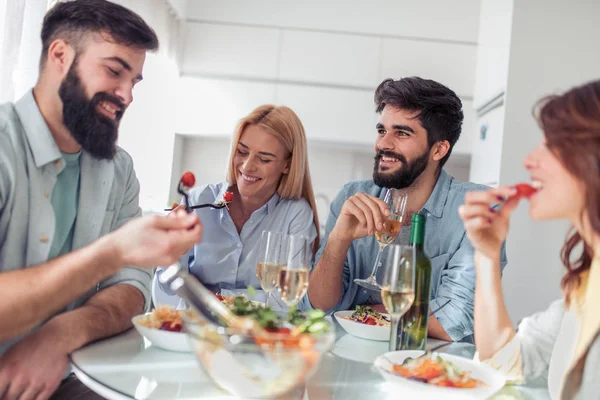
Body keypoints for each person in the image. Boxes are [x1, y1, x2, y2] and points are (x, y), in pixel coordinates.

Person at [0, 1, 202, 399]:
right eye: (114, 71)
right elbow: (118, 262)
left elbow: (132, 288)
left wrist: (61, 333)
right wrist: (111, 252)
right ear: (60, 55)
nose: (126, 94)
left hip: (68, 373)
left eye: (135, 81)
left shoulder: (119, 170)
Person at [306, 77, 507, 342]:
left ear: (438, 149)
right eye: (381, 131)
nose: (383, 144)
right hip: (347, 358)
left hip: (430, 367)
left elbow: (455, 320)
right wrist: (337, 240)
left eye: (401, 133)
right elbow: (319, 305)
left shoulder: (479, 209)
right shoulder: (352, 197)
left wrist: (366, 313)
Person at [459, 80, 600, 399]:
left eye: (551, 144)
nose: (529, 161)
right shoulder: (585, 285)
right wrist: (487, 253)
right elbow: (501, 362)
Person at [157, 104, 319, 307]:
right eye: (242, 152)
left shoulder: (296, 215)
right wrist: (173, 250)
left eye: (264, 158)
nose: (247, 166)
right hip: (194, 327)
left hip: (256, 334)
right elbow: (166, 286)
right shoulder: (198, 201)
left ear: (287, 165)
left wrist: (215, 296)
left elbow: (288, 302)